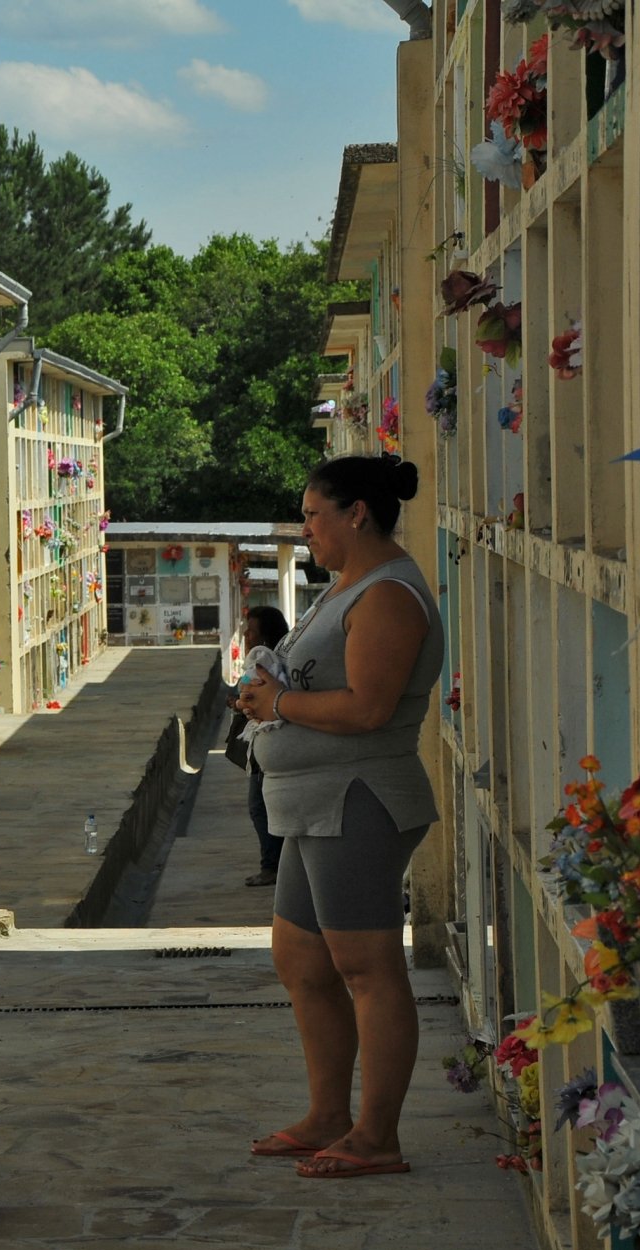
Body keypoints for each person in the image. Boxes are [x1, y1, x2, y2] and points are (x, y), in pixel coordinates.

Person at [233, 455, 440, 1180]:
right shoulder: (344, 586)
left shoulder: (387, 595)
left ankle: (377, 1134)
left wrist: (279, 706)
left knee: (366, 967)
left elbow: (368, 708)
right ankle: (328, 1112)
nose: (305, 530)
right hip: (310, 805)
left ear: (356, 513)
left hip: (358, 798)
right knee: (301, 959)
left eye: (313, 515)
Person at [224, 605, 290, 887]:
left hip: (269, 741)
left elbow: (256, 698)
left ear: (264, 638)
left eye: (251, 631)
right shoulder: (274, 660)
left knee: (259, 806)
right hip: (266, 744)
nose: (246, 636)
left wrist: (240, 703)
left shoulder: (264, 661)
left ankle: (273, 866)